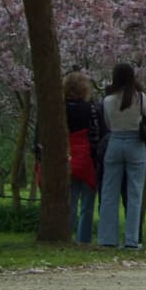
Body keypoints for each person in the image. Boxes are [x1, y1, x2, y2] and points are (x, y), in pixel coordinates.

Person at [97, 62, 146, 250]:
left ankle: (107, 239)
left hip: (114, 142)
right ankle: (131, 240)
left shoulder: (107, 100)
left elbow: (107, 122)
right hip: (135, 144)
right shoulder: (140, 97)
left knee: (108, 192)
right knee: (134, 193)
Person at [62, 71, 103, 245]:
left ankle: (66, 235)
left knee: (70, 201)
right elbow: (95, 134)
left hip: (67, 157)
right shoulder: (90, 109)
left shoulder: (60, 108)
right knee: (87, 204)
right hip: (86, 160)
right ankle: (83, 239)